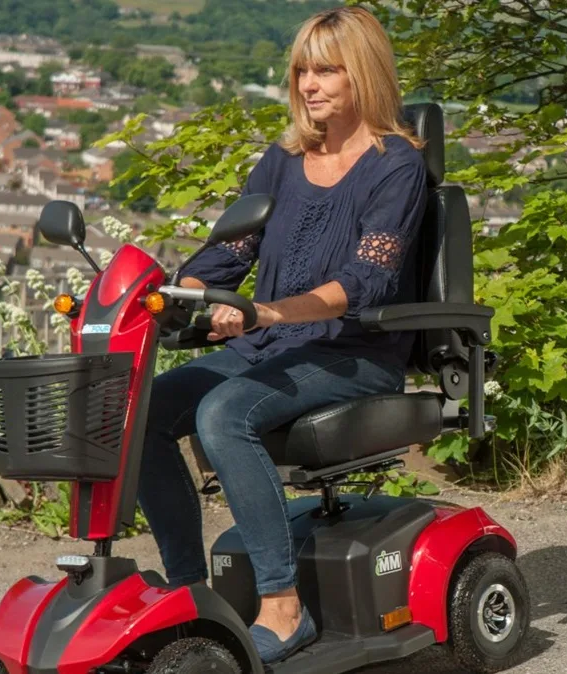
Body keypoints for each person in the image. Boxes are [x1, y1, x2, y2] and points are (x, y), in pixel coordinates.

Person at [137, 5, 428, 665]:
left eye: (328, 70)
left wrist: (271, 312)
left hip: (354, 354)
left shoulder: (396, 167)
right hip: (272, 349)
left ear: (366, 74)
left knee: (224, 412)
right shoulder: (284, 160)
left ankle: (282, 607)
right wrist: (173, 294)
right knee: (149, 410)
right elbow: (227, 254)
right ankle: (190, 594)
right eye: (302, 70)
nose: (309, 85)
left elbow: (366, 282)